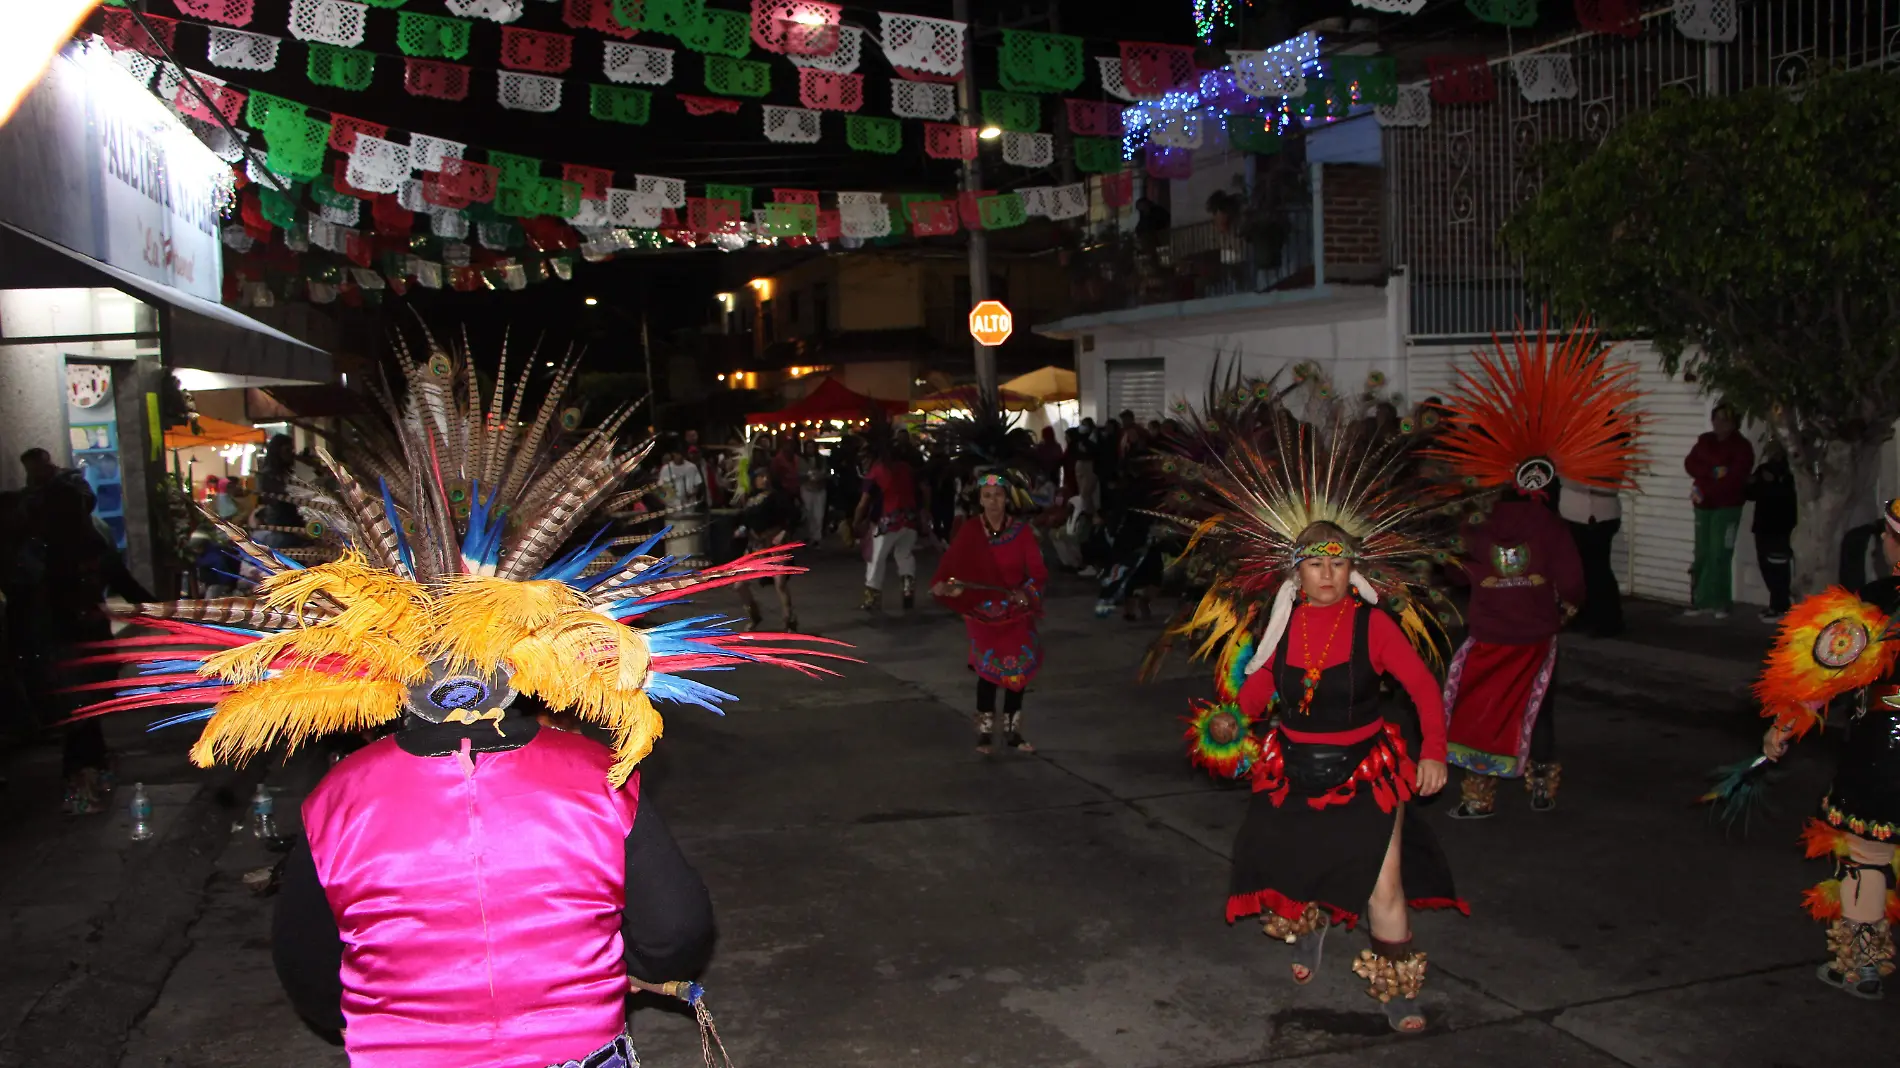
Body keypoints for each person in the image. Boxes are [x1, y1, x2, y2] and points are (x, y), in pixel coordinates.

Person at [68, 327, 832, 1067]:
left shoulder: (338, 799)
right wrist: (591, 971)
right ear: (526, 656)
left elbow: (310, 980)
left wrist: (405, 1022)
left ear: (390, 668)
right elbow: (674, 934)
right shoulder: (598, 780)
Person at [1145, 377, 1471, 1035]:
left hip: (1370, 767)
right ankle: (1311, 928)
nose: (1328, 574)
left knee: (1385, 887)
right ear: (1296, 572)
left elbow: (1421, 688)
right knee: (1287, 874)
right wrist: (1231, 716)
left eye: (1339, 564)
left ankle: (1398, 992)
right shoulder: (1278, 628)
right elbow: (1255, 695)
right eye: (1316, 565)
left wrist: (1433, 751)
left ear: (1354, 569)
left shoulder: (1374, 626)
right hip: (1293, 764)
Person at [1424, 323, 1642, 818]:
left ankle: (1478, 800)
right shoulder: (1548, 524)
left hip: (1490, 634)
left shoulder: (1475, 523)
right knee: (1538, 710)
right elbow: (1572, 579)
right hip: (1536, 636)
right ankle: (1542, 790)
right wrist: (1560, 607)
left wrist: (1481, 578)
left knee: (1480, 711)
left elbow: (1457, 574)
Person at [1743, 499, 1900, 999]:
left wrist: (1783, 728)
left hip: (1886, 753)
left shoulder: (1877, 604)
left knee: (1866, 856)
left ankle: (1862, 968)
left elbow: (1824, 674)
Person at [931, 473, 1048, 754]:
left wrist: (1027, 594)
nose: (993, 502)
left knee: (1016, 671)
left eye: (998, 496)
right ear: (980, 501)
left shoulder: (1021, 532)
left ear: (1007, 499)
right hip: (982, 613)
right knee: (988, 672)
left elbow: (1039, 573)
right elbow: (950, 569)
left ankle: (1012, 732)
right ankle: (984, 733)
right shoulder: (970, 530)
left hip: (1015, 611)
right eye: (987, 496)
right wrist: (947, 586)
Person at [1683, 403, 1754, 618]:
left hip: (1727, 506)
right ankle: (1700, 600)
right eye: (1717, 418)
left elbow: (1736, 476)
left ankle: (1721, 601)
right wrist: (1714, 471)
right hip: (1703, 504)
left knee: (1720, 553)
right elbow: (1690, 464)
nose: (1720, 423)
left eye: (1726, 419)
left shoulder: (1741, 446)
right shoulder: (1705, 440)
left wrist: (1710, 478)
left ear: (1734, 423)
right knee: (1702, 552)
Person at [854, 438, 922, 611]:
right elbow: (922, 488)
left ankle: (872, 598)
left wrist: (856, 522)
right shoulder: (906, 468)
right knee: (905, 554)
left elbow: (864, 502)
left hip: (887, 522)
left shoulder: (876, 472)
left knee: (876, 559)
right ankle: (908, 589)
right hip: (909, 518)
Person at [733, 469, 800, 632]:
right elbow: (747, 521)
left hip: (775, 544)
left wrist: (784, 532)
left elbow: (794, 515)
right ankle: (755, 615)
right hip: (756, 545)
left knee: (780, 583)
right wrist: (741, 529)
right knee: (739, 585)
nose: (764, 479)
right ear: (754, 480)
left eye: (766, 476)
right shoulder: (750, 500)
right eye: (760, 477)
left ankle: (789, 618)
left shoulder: (777, 497)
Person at [1558, 475, 1623, 638]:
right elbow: (1562, 477)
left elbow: (1609, 486)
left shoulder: (1610, 455)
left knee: (1598, 569)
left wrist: (1585, 479)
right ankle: (1583, 614)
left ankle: (1608, 621)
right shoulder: (1569, 453)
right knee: (1579, 569)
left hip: (1601, 518)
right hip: (1572, 515)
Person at [1746, 440, 1798, 621]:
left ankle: (1781, 605)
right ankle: (1777, 604)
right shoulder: (1763, 470)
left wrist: (1774, 482)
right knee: (1766, 566)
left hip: (1780, 526)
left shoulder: (1791, 471)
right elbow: (1749, 494)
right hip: (1762, 525)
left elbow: (1789, 496)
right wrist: (1752, 482)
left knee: (1778, 566)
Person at [797, 439, 828, 545]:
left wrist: (820, 475)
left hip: (819, 489)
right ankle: (810, 535)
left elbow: (826, 472)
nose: (810, 449)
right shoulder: (801, 460)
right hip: (807, 489)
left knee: (819, 514)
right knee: (809, 513)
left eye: (812, 447)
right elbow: (798, 473)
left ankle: (817, 537)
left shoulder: (821, 459)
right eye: (808, 447)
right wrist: (807, 475)